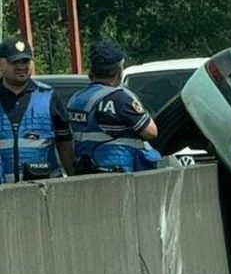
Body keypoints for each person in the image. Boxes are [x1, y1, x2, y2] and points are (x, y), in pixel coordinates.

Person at [67, 38, 161, 173]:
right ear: (119, 70)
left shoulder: (76, 99)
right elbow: (151, 132)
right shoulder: (120, 98)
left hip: (86, 173)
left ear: (92, 69)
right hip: (118, 173)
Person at [0, 37, 75, 183]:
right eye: (15, 62)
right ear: (1, 63)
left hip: (42, 194)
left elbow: (65, 144)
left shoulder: (49, 97)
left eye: (25, 61)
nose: (21, 67)